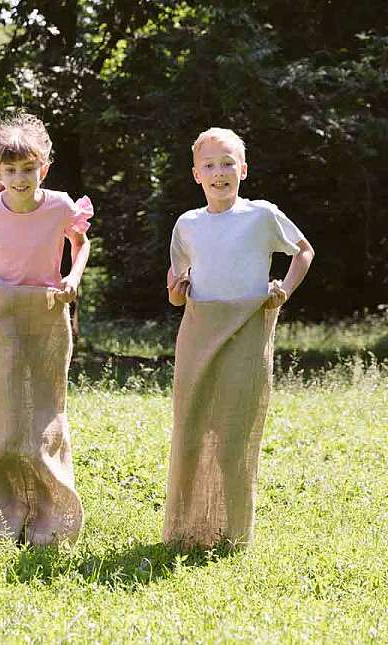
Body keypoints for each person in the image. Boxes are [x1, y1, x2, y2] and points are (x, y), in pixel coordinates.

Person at [164, 127, 314, 549]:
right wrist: (178, 289)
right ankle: (186, 529)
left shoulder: (261, 215)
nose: (219, 172)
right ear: (196, 175)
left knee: (235, 432)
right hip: (199, 332)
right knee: (193, 429)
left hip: (247, 331)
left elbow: (304, 251)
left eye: (228, 163)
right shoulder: (187, 225)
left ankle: (232, 533)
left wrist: (283, 288)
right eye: (209, 165)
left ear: (243, 170)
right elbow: (175, 291)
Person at [0, 112, 93, 545]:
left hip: (47, 309)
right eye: (10, 170)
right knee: (6, 411)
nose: (20, 178)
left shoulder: (59, 206)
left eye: (28, 170)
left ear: (43, 169)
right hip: (1, 311)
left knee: (45, 413)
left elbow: (80, 239)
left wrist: (73, 277)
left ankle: (51, 512)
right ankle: (3, 508)